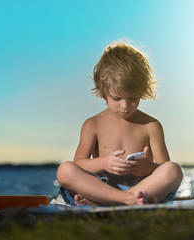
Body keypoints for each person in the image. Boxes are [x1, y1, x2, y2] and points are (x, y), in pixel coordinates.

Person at [56, 41, 183, 206]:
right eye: (117, 98)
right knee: (65, 170)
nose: (125, 106)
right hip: (102, 186)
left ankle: (108, 202)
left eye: (133, 98)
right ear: (103, 91)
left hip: (142, 188)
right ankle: (125, 200)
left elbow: (163, 167)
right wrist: (103, 163)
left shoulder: (151, 126)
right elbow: (79, 163)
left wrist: (149, 167)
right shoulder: (92, 124)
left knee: (173, 170)